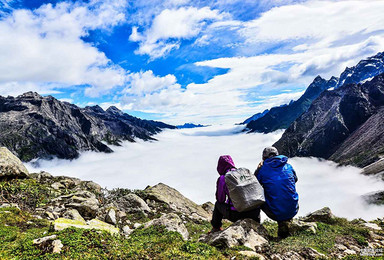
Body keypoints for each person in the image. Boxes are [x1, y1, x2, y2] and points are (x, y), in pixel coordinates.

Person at [255, 147, 299, 238]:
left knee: (256, 200)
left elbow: (254, 185)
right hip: (293, 207)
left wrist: (258, 169)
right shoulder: (288, 166)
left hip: (275, 211)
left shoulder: (262, 170)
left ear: (264, 157)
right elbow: (295, 179)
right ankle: (286, 226)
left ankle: (255, 228)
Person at [210, 155, 261, 233]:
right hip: (254, 213)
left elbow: (220, 199)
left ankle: (216, 227)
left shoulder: (223, 178)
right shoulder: (243, 173)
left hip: (238, 215)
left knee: (218, 205)